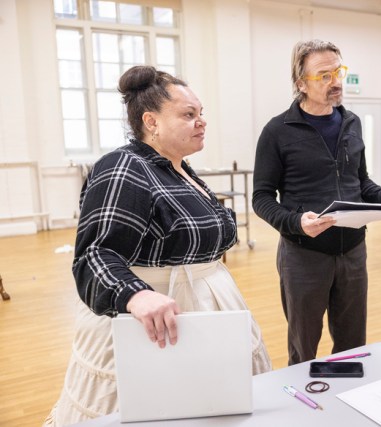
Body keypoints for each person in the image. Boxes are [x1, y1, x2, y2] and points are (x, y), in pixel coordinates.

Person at [44, 66, 271, 426]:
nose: (201, 122)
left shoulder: (179, 168)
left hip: (203, 311)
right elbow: (94, 254)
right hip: (152, 322)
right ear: (151, 121)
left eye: (201, 114)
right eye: (188, 114)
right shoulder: (123, 167)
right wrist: (135, 294)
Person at [252, 39, 381, 365]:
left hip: (353, 251)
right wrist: (296, 223)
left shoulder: (351, 122)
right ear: (300, 83)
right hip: (304, 255)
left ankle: (345, 405)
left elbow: (360, 183)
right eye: (324, 75)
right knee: (303, 346)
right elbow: (262, 198)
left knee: (353, 347)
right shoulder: (277, 131)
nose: (336, 81)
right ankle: (302, 410)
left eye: (338, 71)